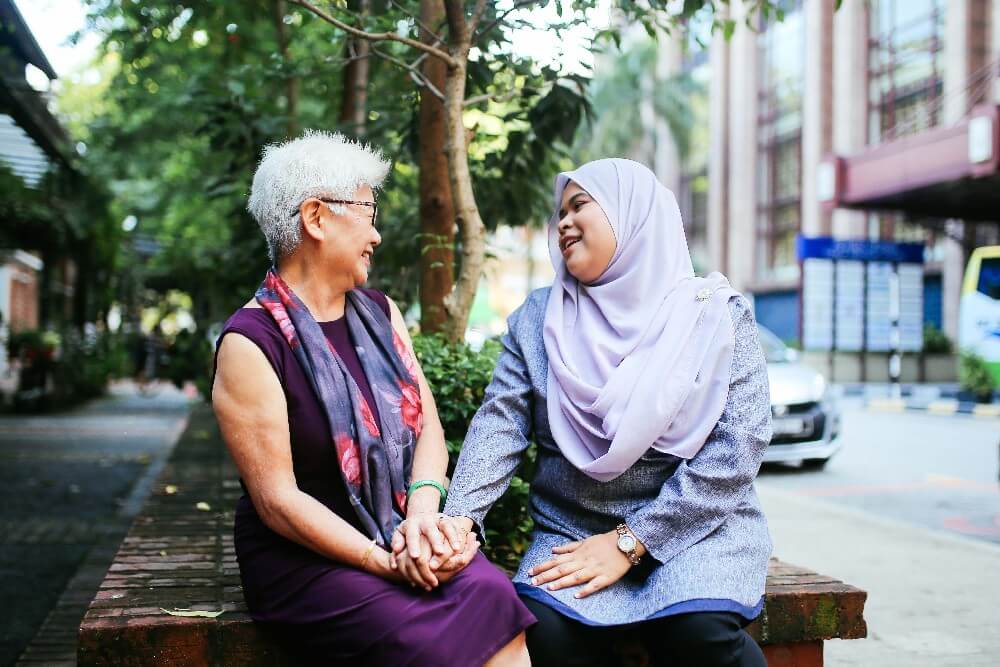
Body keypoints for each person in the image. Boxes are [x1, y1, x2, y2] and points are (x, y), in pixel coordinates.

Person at [421, 158, 773, 666]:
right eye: (559, 212)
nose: (562, 222)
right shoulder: (538, 320)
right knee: (544, 638)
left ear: (633, 216)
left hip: (698, 529)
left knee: (698, 635)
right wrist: (457, 522)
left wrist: (634, 541)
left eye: (580, 205)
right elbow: (498, 429)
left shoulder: (714, 315)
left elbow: (737, 449)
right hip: (572, 531)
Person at [211, 131, 534, 666]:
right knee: (423, 642)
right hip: (307, 560)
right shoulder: (251, 342)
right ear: (316, 218)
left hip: (401, 528)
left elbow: (428, 429)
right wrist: (385, 561)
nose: (376, 235)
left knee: (496, 595)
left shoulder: (380, 314)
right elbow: (278, 502)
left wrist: (424, 520)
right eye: (367, 211)